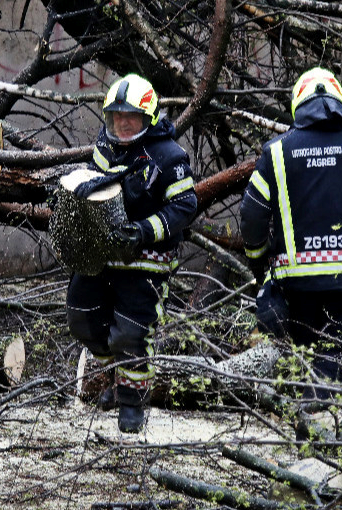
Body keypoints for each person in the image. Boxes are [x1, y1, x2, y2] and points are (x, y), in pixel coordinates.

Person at [239, 67, 342, 399]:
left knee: (289, 347)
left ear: (297, 106)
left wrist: (259, 268)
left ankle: (295, 401)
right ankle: (321, 418)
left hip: (294, 287)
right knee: (336, 368)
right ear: (339, 102)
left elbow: (251, 217)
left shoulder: (275, 152)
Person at [67, 73, 198, 433]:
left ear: (148, 117)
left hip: (146, 263)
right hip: (101, 256)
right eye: (116, 117)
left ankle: (131, 403)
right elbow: (95, 184)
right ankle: (115, 374)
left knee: (131, 334)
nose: (123, 124)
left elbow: (186, 206)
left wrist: (143, 231)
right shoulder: (104, 147)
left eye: (131, 117)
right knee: (80, 317)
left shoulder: (170, 156)